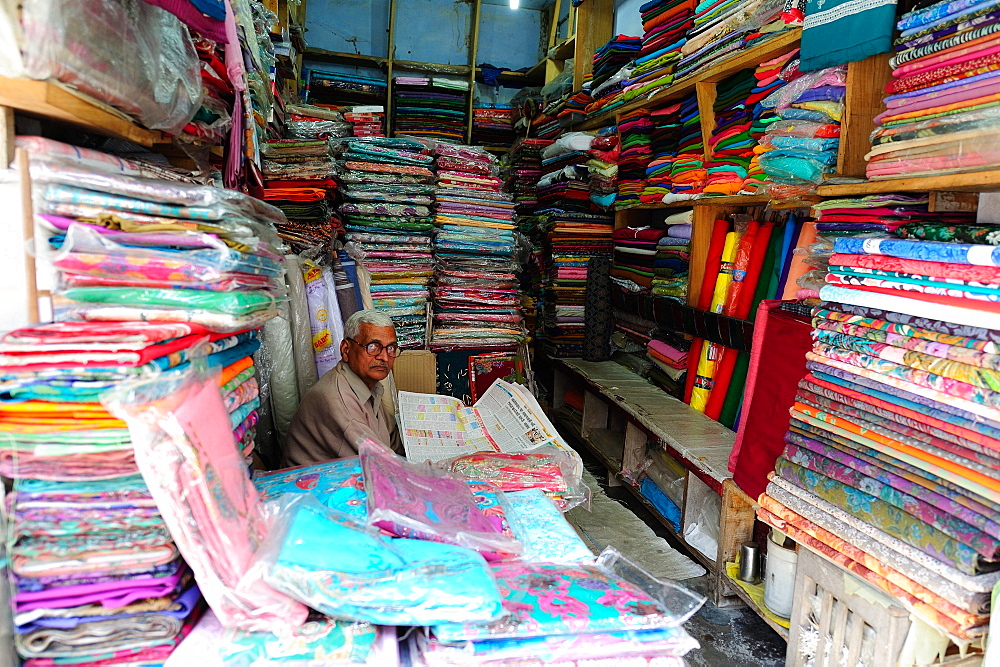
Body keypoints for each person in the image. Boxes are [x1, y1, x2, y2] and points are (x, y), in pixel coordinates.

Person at [283, 309, 404, 466]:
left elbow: (394, 444)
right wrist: (441, 468)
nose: (384, 357)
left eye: (391, 348)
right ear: (346, 350)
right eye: (373, 347)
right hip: (312, 488)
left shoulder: (369, 387)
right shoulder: (336, 399)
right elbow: (384, 466)